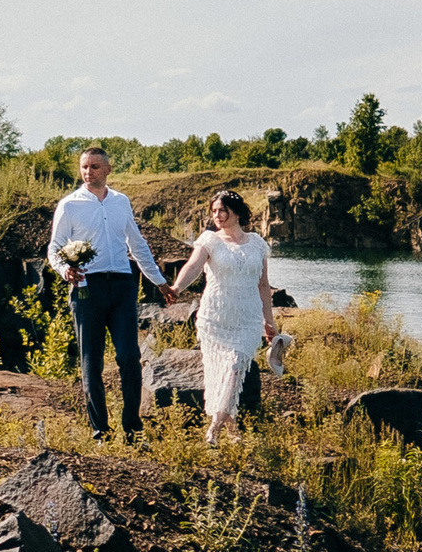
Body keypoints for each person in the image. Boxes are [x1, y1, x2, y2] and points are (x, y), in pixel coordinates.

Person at [46, 146, 170, 440]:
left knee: (129, 355)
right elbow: (54, 248)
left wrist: (159, 281)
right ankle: (100, 429)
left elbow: (137, 244)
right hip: (87, 287)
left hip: (123, 285)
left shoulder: (121, 202)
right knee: (92, 360)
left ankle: (132, 427)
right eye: (85, 167)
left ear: (108, 169)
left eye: (95, 167)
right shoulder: (69, 205)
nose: (89, 172)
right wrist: (66, 270)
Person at [166, 188, 278, 445]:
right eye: (214, 211)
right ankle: (232, 428)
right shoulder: (210, 241)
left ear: (236, 212)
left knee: (236, 365)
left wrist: (268, 320)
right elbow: (193, 267)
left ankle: (214, 429)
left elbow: (263, 285)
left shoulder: (258, 244)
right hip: (216, 316)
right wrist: (176, 288)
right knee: (219, 372)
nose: (217, 215)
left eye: (222, 210)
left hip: (248, 317)